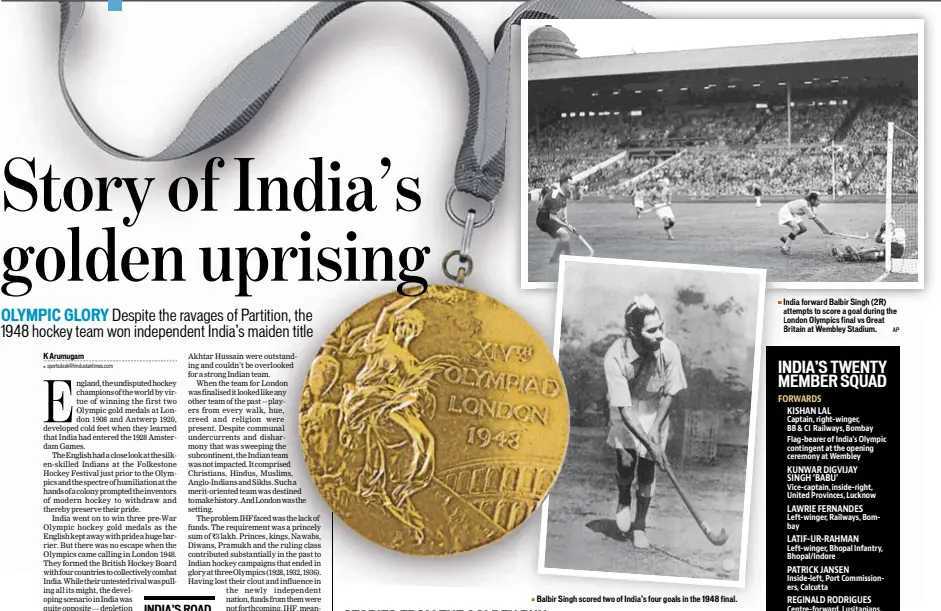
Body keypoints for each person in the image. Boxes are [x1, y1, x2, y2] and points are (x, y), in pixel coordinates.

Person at [603, 294, 687, 549]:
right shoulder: (614, 356)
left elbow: (670, 394)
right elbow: (625, 411)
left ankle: (639, 526)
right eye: (652, 330)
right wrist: (646, 442)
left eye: (661, 326)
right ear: (633, 331)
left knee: (648, 470)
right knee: (627, 463)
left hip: (654, 409)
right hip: (625, 408)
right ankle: (623, 498)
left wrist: (654, 435)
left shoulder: (669, 350)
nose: (660, 334)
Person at [536, 175, 575, 263]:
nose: (571, 186)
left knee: (565, 236)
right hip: (543, 219)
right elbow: (552, 216)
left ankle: (557, 259)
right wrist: (566, 225)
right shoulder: (555, 196)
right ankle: (566, 258)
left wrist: (566, 219)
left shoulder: (564, 193)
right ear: (564, 184)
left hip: (549, 217)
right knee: (564, 235)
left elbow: (564, 206)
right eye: (570, 184)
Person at [830, 220, 906, 262]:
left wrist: (887, 236)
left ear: (893, 225)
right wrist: (880, 230)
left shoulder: (899, 230)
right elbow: (876, 239)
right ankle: (849, 256)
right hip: (888, 251)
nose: (887, 227)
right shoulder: (886, 234)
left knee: (875, 252)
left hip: (897, 251)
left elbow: (896, 239)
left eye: (889, 225)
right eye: (886, 225)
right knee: (874, 252)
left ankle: (855, 254)